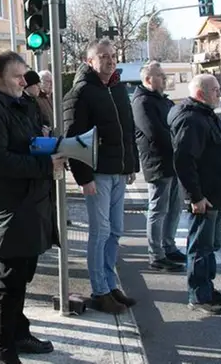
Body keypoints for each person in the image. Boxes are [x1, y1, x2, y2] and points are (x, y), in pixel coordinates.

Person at [0, 49, 63, 364]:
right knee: (9, 283)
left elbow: (25, 143)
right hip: (10, 209)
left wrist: (47, 140)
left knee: (21, 277)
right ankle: (3, 350)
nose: (25, 81)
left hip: (30, 205)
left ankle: (19, 334)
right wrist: (45, 167)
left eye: (25, 74)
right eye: (17, 75)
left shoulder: (18, 102)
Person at [62, 39, 139, 314]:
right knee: (101, 232)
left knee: (116, 230)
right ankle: (99, 291)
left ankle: (109, 283)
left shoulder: (117, 88)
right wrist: (84, 179)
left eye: (113, 56)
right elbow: (73, 139)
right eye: (103, 56)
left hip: (119, 171)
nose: (109, 60)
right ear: (89, 61)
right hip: (98, 174)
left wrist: (131, 165)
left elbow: (128, 130)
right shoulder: (81, 92)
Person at [169, 74, 221, 315]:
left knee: (210, 246)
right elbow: (184, 161)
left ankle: (207, 288)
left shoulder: (204, 114)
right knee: (200, 247)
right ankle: (199, 296)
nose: (219, 93)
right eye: (215, 90)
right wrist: (195, 197)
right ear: (201, 94)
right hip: (205, 197)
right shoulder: (191, 119)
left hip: (216, 195)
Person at [131, 61, 186, 273]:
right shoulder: (142, 102)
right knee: (158, 209)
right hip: (157, 162)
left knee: (174, 208)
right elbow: (155, 132)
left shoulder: (163, 100)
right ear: (148, 79)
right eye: (160, 76)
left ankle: (169, 247)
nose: (164, 79)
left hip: (173, 162)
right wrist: (178, 140)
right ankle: (156, 254)